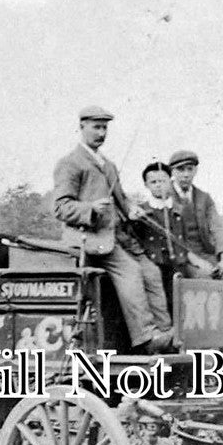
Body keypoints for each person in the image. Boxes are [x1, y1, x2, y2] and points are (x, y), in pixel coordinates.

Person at [53, 106, 175, 353]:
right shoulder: (70, 163)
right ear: (82, 127)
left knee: (151, 271)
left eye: (104, 128)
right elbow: (60, 208)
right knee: (131, 271)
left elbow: (122, 200)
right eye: (96, 127)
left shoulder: (108, 165)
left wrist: (131, 209)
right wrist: (90, 209)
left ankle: (166, 333)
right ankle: (146, 337)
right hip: (90, 239)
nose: (101, 133)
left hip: (117, 237)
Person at [167, 150, 223, 280]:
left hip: (205, 255)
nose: (186, 175)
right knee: (206, 279)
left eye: (190, 169)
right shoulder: (165, 197)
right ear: (172, 172)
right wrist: (196, 261)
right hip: (180, 257)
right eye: (180, 170)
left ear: (195, 171)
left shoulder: (204, 198)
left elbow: (218, 228)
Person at [132, 161, 183, 314]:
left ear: (170, 182)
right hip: (153, 265)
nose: (158, 185)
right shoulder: (140, 212)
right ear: (146, 185)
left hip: (179, 265)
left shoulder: (181, 209)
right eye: (153, 182)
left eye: (162, 181)